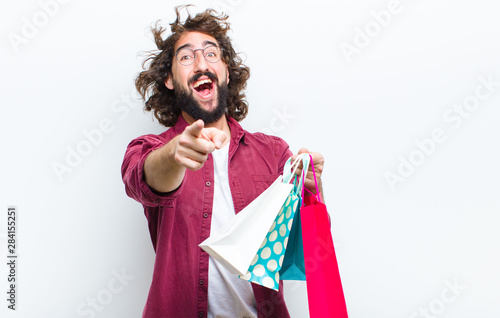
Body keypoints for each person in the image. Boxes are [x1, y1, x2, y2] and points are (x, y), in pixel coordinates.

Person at [121, 5, 324, 318]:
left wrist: (311, 192)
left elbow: (307, 253)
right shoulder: (149, 149)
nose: (202, 63)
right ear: (170, 80)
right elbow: (147, 178)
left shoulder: (274, 153)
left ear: (226, 71)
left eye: (211, 53)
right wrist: (175, 155)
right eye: (186, 56)